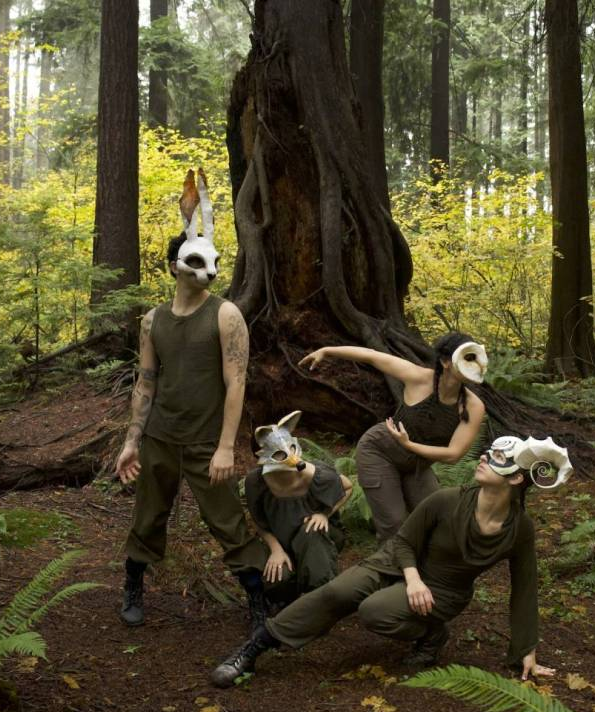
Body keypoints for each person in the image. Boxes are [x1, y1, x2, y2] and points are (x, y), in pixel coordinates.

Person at [208, 435, 575, 688]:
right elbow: (402, 542)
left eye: (498, 459)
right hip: (396, 562)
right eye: (488, 451)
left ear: (515, 479)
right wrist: (412, 579)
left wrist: (526, 649)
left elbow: (525, 586)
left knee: (373, 611)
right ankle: (256, 646)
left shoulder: (519, 529)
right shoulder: (447, 500)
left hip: (443, 591)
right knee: (337, 591)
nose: (483, 457)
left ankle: (432, 634)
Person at [113, 169, 269, 629]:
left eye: (213, 263)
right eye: (197, 264)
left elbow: (237, 383)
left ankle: (258, 602)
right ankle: (133, 584)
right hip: (161, 437)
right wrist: (131, 442)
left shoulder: (226, 315)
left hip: (205, 442)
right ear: (175, 267)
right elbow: (145, 383)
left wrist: (225, 446)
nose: (210, 273)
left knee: (227, 523)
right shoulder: (152, 321)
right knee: (147, 516)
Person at [299, 332, 488, 544]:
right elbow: (372, 356)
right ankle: (393, 573)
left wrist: (409, 445)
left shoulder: (473, 406)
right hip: (379, 451)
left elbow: (453, 455)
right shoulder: (418, 377)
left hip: (416, 463)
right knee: (395, 524)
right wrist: (327, 351)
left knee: (435, 519)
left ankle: (428, 571)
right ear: (446, 362)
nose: (474, 364)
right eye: (467, 358)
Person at [245, 411, 354, 608]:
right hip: (283, 540)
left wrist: (324, 514)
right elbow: (259, 522)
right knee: (277, 580)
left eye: (291, 448)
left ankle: (322, 599)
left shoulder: (316, 474)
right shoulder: (255, 482)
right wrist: (276, 549)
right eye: (279, 453)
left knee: (310, 534)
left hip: (316, 537)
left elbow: (347, 487)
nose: (291, 457)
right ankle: (290, 598)